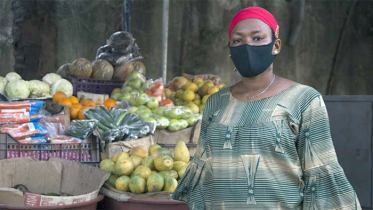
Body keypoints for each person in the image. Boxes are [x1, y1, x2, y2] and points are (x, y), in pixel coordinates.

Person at [172, 6, 361, 210]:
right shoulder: (216, 103)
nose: (247, 46)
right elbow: (205, 176)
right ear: (230, 49)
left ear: (276, 45)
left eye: (257, 38)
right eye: (238, 40)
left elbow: (321, 175)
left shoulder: (304, 100)